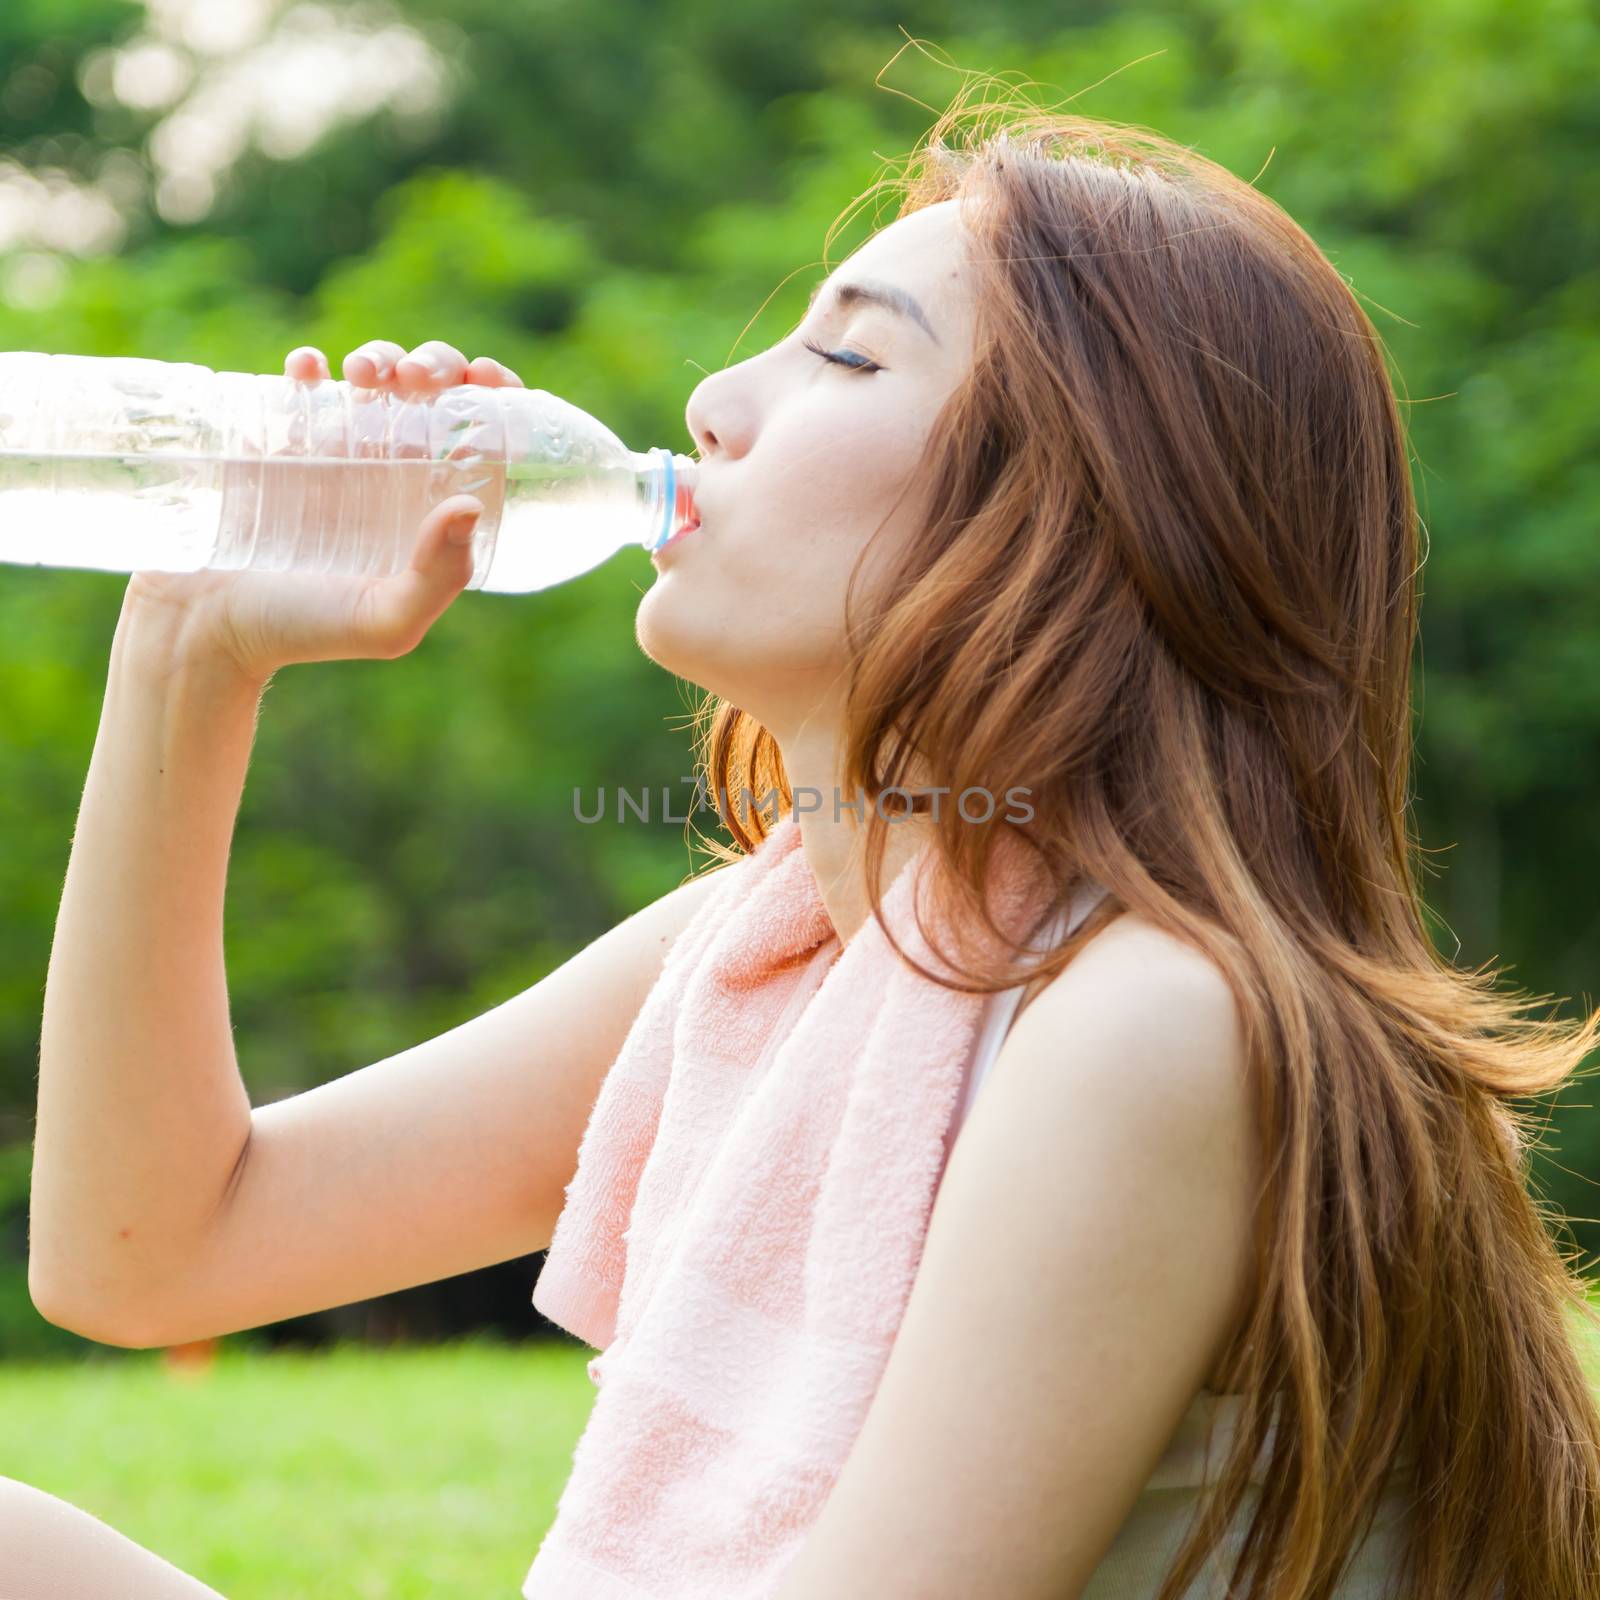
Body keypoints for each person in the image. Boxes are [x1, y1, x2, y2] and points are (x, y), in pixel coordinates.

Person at [10, 100, 1600, 1600]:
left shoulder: (1154, 1023)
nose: (714, 401)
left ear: (1067, 515)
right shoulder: (778, 961)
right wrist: (192, 643)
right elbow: (146, 1253)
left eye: (846, 354)